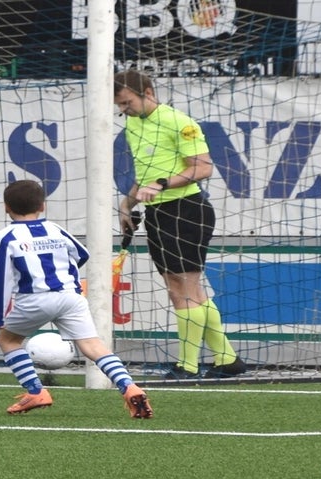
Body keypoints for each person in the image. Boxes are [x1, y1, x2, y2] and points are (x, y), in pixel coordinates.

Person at [113, 69, 248, 380]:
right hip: (158, 213)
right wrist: (126, 205)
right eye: (120, 105)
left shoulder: (179, 122)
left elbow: (203, 168)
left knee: (182, 290)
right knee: (187, 288)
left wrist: (162, 183)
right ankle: (227, 359)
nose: (123, 110)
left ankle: (188, 366)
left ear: (148, 92)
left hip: (187, 210)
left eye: (127, 102)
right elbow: (145, 175)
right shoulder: (133, 125)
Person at [0, 180, 152, 419]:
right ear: (42, 206)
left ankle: (36, 391)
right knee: (93, 346)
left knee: (8, 340)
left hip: (34, 299)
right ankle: (129, 387)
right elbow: (82, 254)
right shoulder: (55, 229)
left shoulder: (6, 236)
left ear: (6, 207)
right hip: (70, 296)